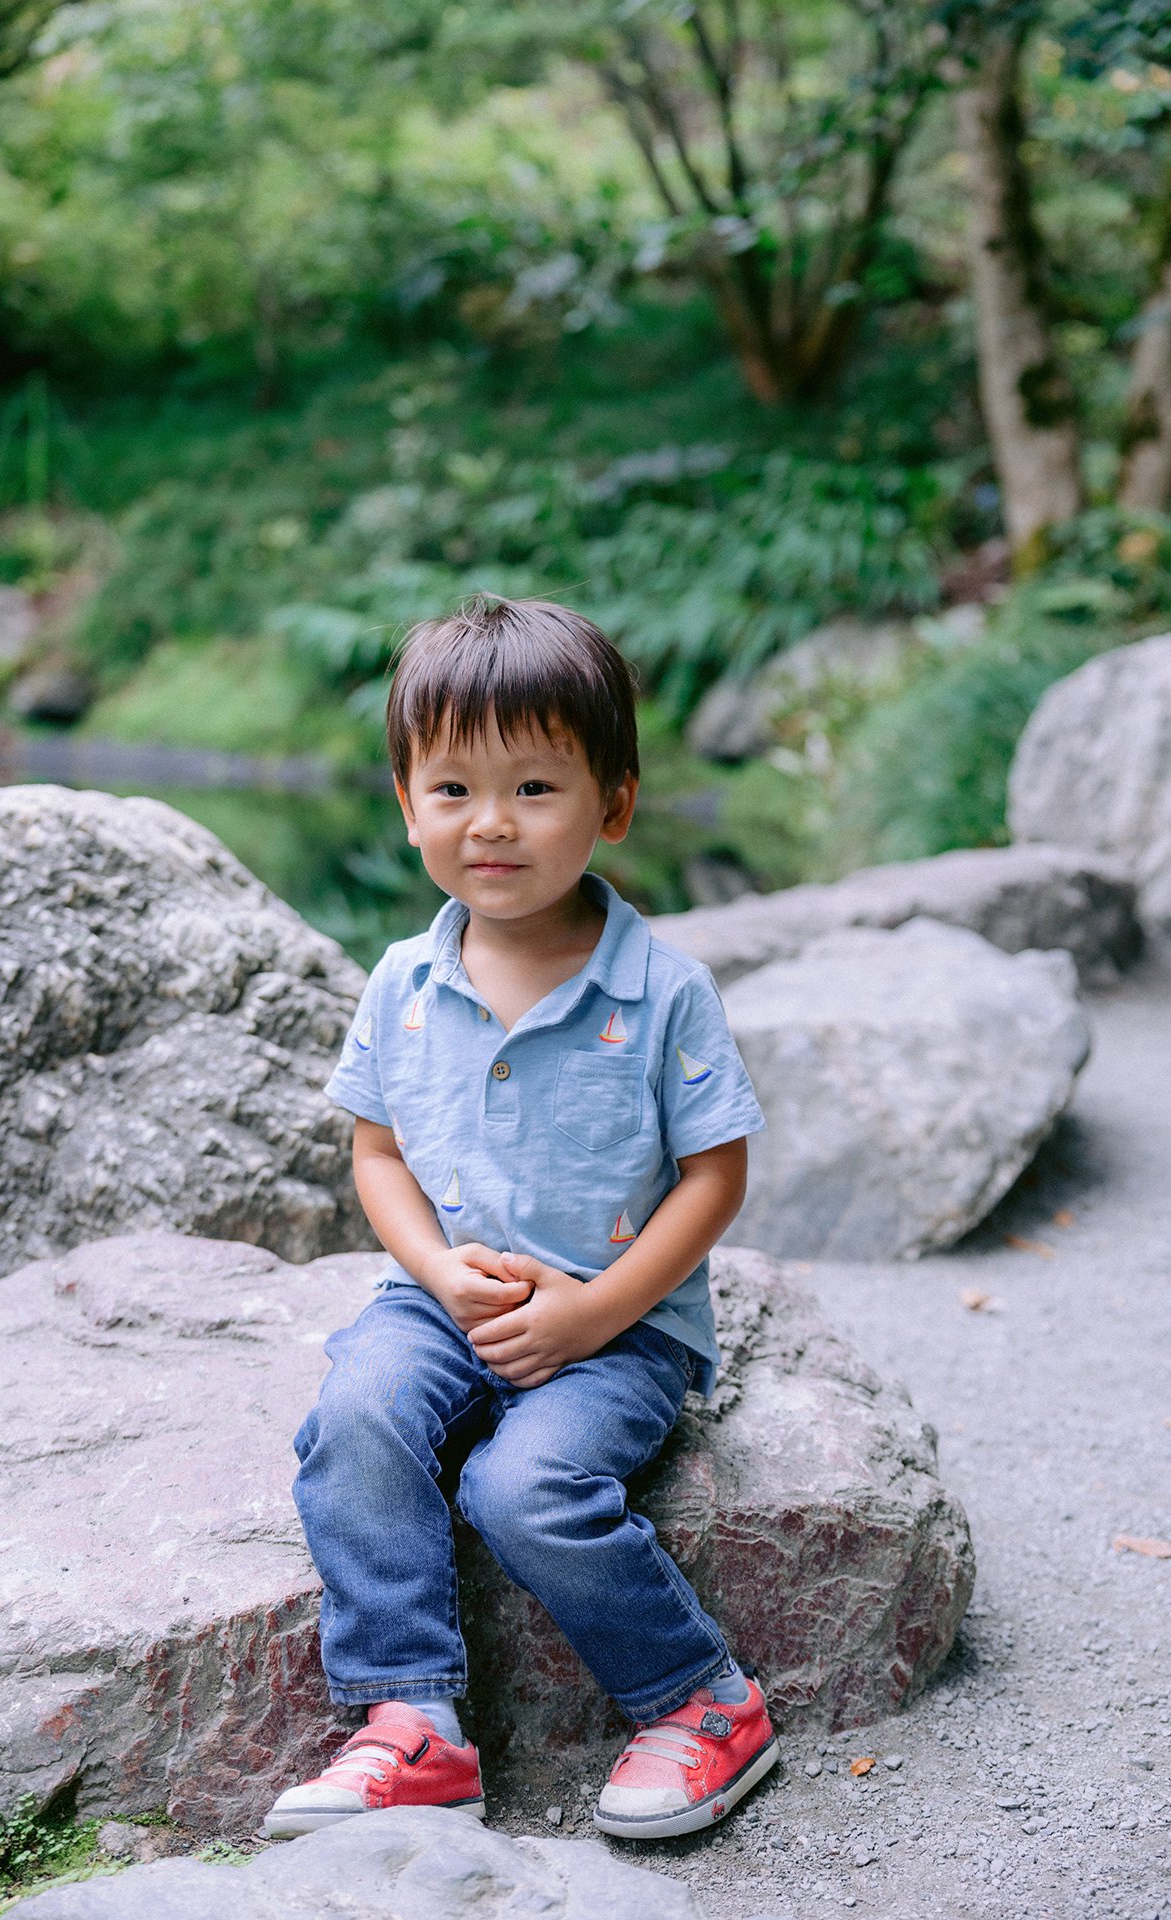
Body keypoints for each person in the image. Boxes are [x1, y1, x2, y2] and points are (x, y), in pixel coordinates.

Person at [265, 595, 776, 1843]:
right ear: (404, 803)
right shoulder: (402, 981)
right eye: (451, 789)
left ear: (613, 805)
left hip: (620, 1325)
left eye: (535, 787)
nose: (489, 823)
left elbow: (714, 1175)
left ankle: (705, 1704)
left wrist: (596, 1311)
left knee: (523, 1486)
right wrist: (436, 1273)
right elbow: (375, 1154)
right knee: (356, 1416)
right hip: (442, 1302)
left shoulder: (660, 990)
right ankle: (411, 1725)